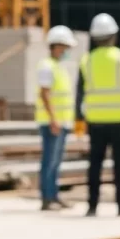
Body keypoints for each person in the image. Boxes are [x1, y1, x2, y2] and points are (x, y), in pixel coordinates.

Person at [73, 13, 120, 218]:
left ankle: (92, 206)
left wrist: (78, 118)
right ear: (114, 36)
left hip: (95, 120)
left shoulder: (86, 61)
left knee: (95, 164)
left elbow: (79, 92)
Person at [36, 25, 78, 211]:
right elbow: (45, 94)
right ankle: (47, 198)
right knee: (49, 161)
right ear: (56, 46)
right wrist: (53, 119)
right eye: (65, 47)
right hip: (52, 122)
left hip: (61, 122)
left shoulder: (58, 67)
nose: (67, 51)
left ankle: (54, 195)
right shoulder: (47, 66)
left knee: (56, 162)